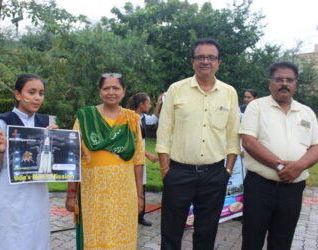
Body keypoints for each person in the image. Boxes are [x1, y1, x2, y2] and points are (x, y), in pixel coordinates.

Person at [156, 39, 241, 249]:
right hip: (179, 172)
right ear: (192, 62)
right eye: (200, 57)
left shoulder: (229, 92)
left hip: (214, 175)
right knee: (171, 230)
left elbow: (233, 135)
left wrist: (228, 170)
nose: (206, 61)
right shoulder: (176, 89)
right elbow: (164, 131)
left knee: (207, 231)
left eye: (211, 57)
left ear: (219, 62)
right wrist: (165, 168)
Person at [239, 61, 318, 250]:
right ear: (270, 83)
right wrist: (280, 167)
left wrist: (299, 167)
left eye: (289, 80)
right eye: (279, 79)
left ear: (296, 84)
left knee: (282, 241)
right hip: (260, 186)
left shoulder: (306, 112)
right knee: (252, 239)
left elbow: (317, 145)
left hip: (293, 189)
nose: (284, 83)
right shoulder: (256, 107)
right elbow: (249, 141)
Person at [65, 73, 145, 249]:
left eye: (116, 88)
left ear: (123, 92)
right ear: (100, 91)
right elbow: (74, 157)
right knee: (95, 237)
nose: (111, 92)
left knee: (121, 237)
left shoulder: (132, 119)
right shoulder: (86, 118)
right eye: (106, 88)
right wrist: (71, 194)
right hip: (93, 193)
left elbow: (138, 160)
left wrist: (140, 196)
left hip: (124, 193)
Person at [0, 74, 57, 250]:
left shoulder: (46, 123)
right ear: (18, 95)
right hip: (10, 198)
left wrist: (58, 143)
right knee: (10, 240)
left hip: (37, 197)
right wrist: (0, 151)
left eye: (41, 93)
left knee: (36, 238)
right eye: (31, 92)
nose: (37, 97)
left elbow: (54, 165)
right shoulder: (2, 123)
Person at [127, 92, 163, 226]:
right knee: (134, 186)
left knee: (141, 185)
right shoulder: (129, 118)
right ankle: (131, 216)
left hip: (140, 159)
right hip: (131, 159)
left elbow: (153, 119)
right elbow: (132, 143)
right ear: (141, 105)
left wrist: (159, 103)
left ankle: (139, 216)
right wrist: (148, 154)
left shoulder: (142, 117)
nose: (149, 105)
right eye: (148, 103)